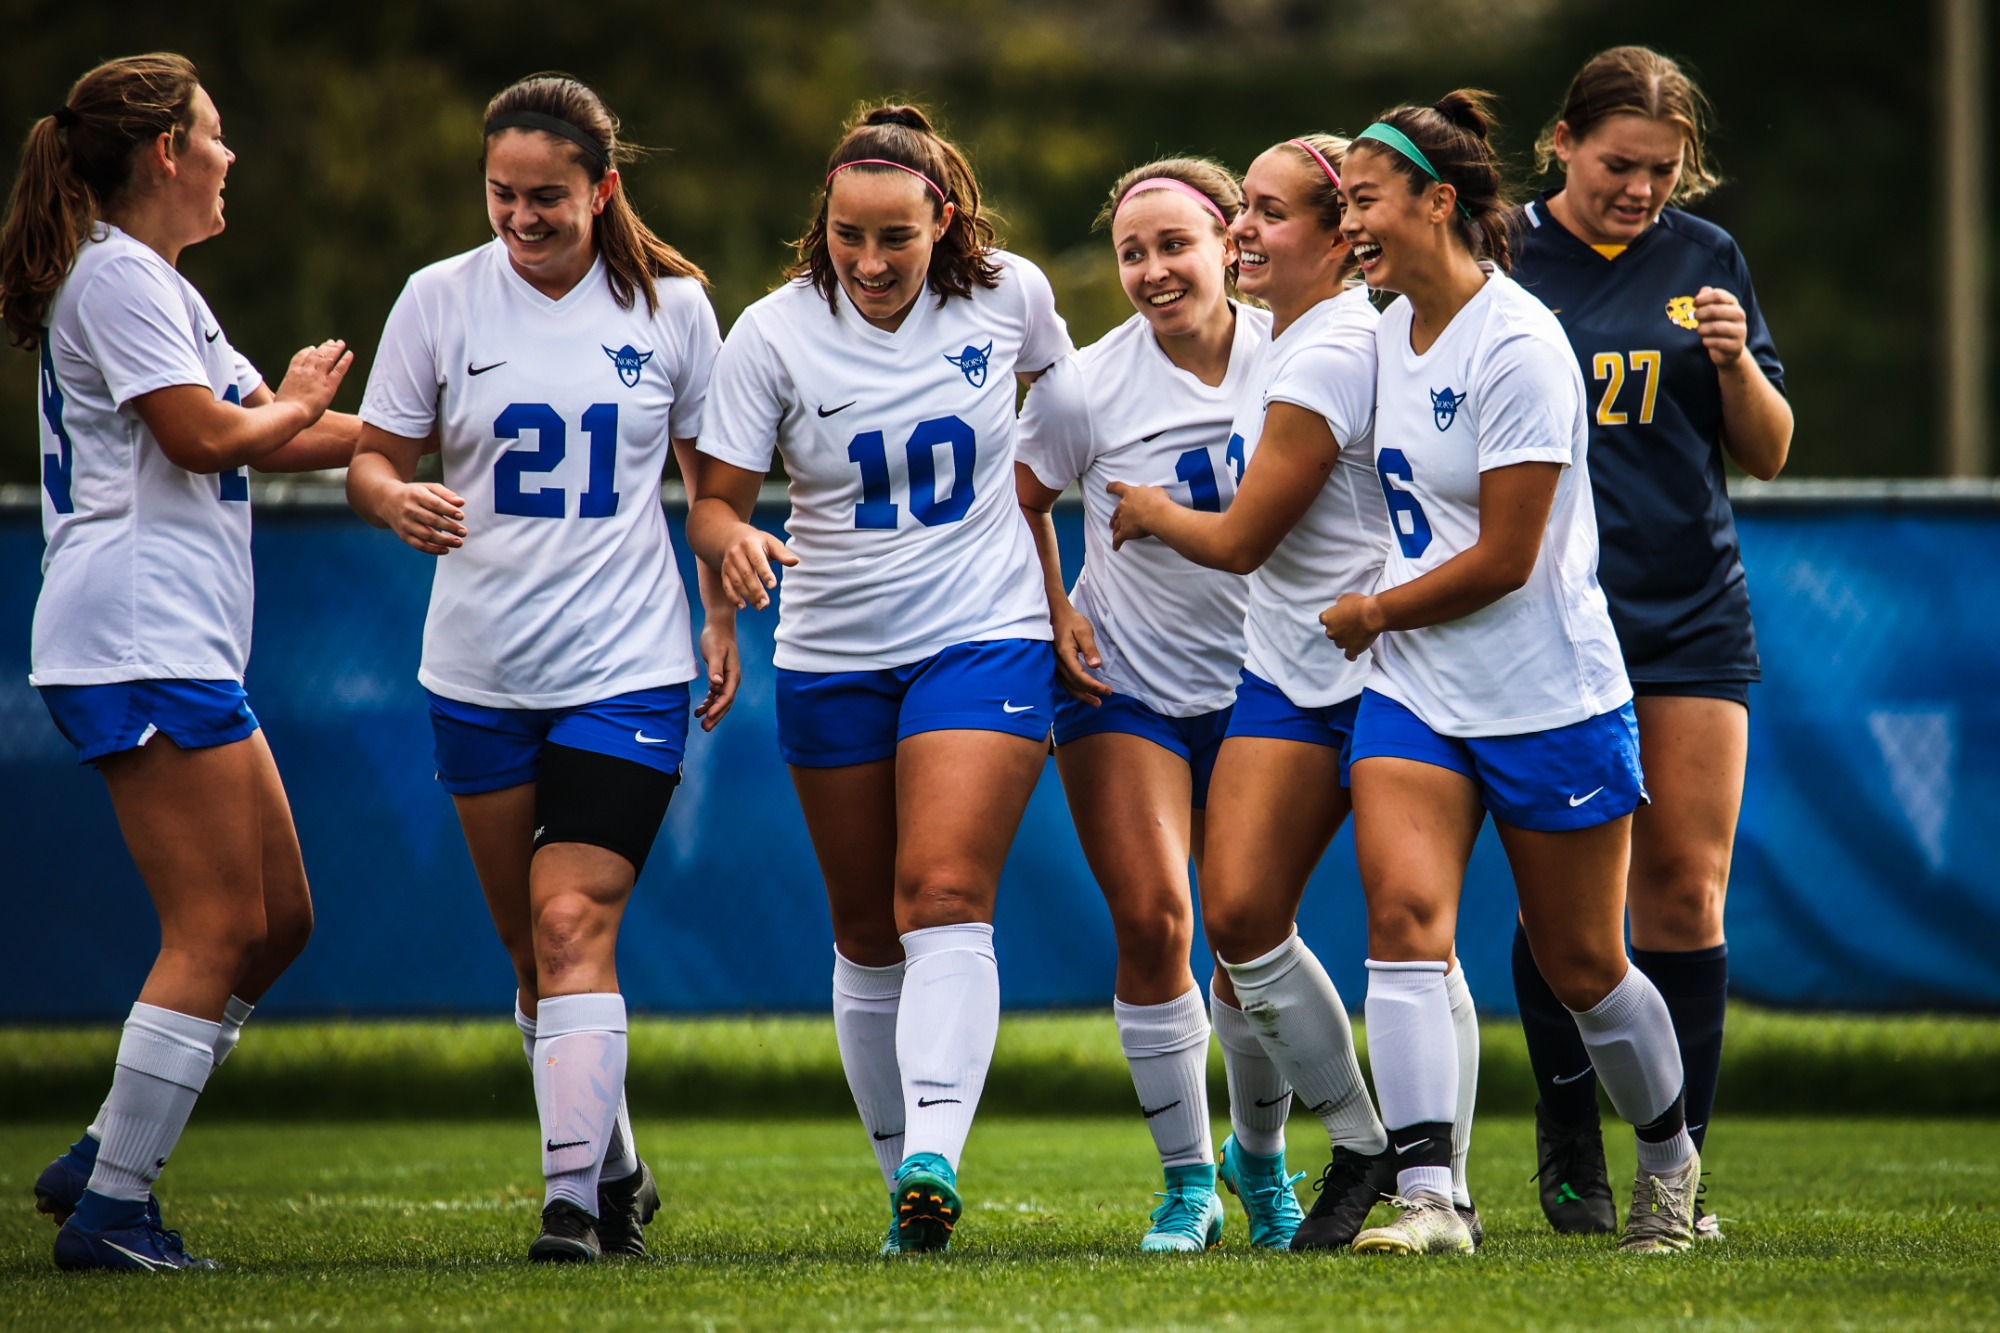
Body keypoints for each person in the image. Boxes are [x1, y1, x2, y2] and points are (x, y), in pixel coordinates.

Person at [346, 74, 734, 1264]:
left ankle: (572, 1207)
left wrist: (718, 618)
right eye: (502, 194)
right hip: (476, 671)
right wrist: (391, 499)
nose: (521, 217)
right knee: (530, 949)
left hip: (624, 664)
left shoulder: (671, 306)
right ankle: (615, 1165)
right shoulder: (439, 299)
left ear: (601, 188)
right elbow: (371, 456)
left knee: (573, 921)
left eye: (548, 196)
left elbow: (715, 487)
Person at [1323, 90, 1701, 1255]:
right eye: (1340, 205)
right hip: (1416, 687)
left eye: (1365, 201)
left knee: (1584, 967)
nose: (1350, 226)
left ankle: (1667, 1161)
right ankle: (1430, 1195)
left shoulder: (1522, 343)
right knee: (1399, 922)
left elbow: (1504, 555)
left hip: (1547, 695)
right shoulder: (1376, 331)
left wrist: (1372, 605)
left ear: (1437, 202)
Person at [688, 103, 1070, 1255]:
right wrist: (731, 543)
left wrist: (1041, 520)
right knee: (865, 932)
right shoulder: (769, 333)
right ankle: (899, 1190)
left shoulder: (1011, 294)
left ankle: (933, 1154)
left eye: (894, 238)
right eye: (847, 235)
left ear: (940, 220)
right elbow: (714, 497)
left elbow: (1065, 400)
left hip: (983, 633)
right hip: (832, 650)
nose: (868, 261)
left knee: (943, 892)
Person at [0, 53, 358, 1271]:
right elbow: (211, 436)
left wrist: (451, 433)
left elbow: (274, 422)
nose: (229, 156)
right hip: (136, 637)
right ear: (165, 152)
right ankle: (113, 1210)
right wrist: (302, 403)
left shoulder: (158, 283)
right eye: (214, 135)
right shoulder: (115, 280)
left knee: (278, 921)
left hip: (177, 643)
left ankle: (106, 1149)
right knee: (214, 923)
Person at [1105, 134, 1481, 1251]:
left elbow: (1240, 537)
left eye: (1266, 214)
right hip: (1281, 666)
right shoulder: (1286, 334)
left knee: (1417, 938)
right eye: (1242, 211)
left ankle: (1436, 1181)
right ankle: (1369, 1145)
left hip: (1380, 671)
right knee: (1237, 915)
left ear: (1336, 235)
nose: (1240, 232)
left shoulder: (1335, 347)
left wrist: (1147, 508)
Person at [1508, 45, 1792, 1239]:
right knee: (1570, 909)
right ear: (1561, 142)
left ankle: (1673, 1178)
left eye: (1663, 172)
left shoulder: (1702, 258)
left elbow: (1769, 450)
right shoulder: (1498, 254)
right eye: (1619, 164)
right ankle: (1567, 1127)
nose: (1640, 191)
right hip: (1543, 617)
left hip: (1684, 613)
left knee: (1684, 888)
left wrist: (1730, 361)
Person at [1014, 157, 1270, 1252]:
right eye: (1131, 252)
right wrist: (1054, 612)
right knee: (1155, 917)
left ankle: (1260, 1167)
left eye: (1175, 244)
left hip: (1267, 685)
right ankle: (1183, 1183)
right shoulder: (1082, 385)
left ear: (1227, 243)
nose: (1154, 269)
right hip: (1123, 683)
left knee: (1250, 939)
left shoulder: (1300, 355)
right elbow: (1022, 498)